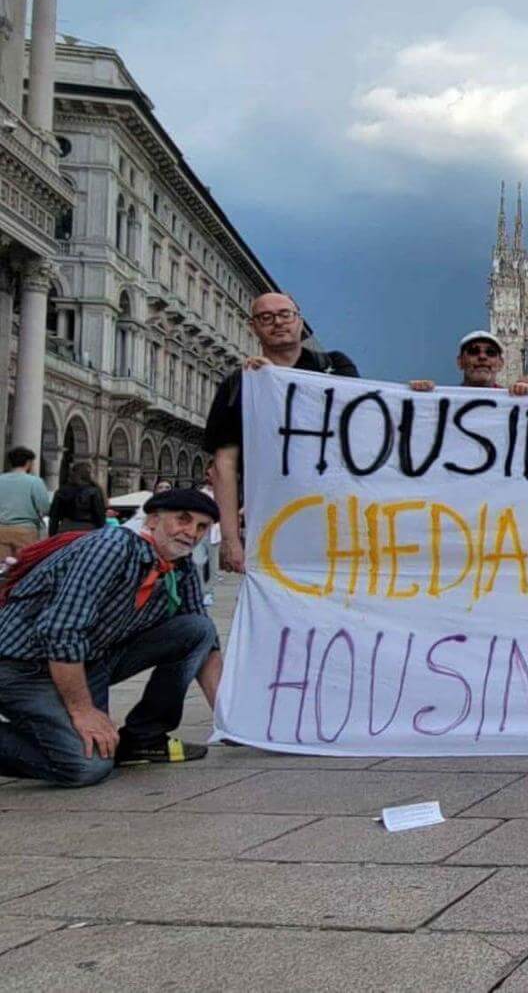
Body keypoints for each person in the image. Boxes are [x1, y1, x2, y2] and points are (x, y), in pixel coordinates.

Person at [0, 489, 222, 786]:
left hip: (88, 661)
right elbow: (61, 630)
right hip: (21, 669)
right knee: (86, 765)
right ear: (153, 520)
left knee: (197, 629)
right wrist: (82, 710)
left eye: (201, 527)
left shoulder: (180, 567)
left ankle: (143, 737)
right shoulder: (112, 547)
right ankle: (50, 727)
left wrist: (230, 721)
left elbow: (205, 644)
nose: (191, 533)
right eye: (183, 520)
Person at [205, 293, 359, 575]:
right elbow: (224, 464)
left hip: (338, 520)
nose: (278, 322)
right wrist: (229, 539)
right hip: (271, 525)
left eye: (285, 314)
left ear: (300, 321)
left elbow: (364, 415)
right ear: (253, 327)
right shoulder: (238, 385)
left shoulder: (335, 366)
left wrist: (420, 398)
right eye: (266, 317)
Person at [407, 331, 528, 396]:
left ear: (500, 363)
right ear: (460, 362)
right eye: (473, 351)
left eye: (490, 353)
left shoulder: (516, 402)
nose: (482, 356)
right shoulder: (443, 401)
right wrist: (416, 398)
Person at [0, 448, 51, 561]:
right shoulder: (35, 482)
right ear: (28, 463)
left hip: (1, 529)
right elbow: (44, 507)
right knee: (23, 566)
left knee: (2, 568)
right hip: (26, 530)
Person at [48, 464, 105, 536]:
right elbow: (100, 515)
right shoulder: (94, 491)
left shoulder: (61, 491)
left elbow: (54, 517)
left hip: (66, 528)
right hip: (88, 529)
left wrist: (52, 535)